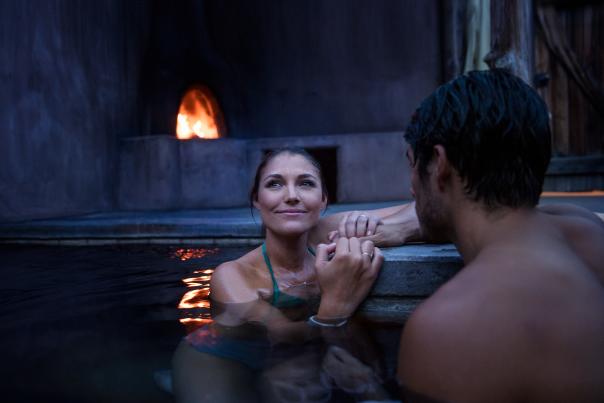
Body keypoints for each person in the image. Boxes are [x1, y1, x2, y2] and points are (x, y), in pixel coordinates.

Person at [327, 69, 604, 402]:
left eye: (412, 165)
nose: (411, 188)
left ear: (440, 164)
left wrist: (337, 328)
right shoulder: (587, 234)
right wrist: (407, 228)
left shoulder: (446, 328)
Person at [172, 147, 396, 402]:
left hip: (303, 356)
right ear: (257, 199)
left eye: (306, 184)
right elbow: (284, 335)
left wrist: (375, 226)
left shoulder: (325, 234)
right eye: (275, 184)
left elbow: (414, 214)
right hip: (226, 355)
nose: (291, 196)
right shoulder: (233, 275)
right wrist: (335, 307)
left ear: (323, 199)